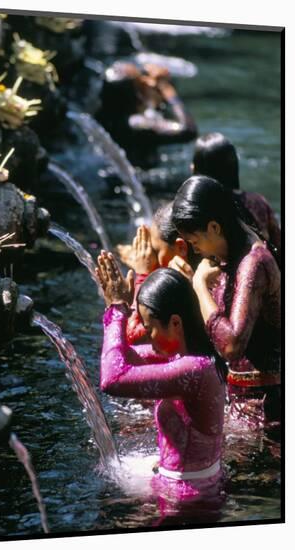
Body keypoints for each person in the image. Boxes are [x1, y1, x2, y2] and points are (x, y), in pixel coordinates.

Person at [96, 252, 226, 518]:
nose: (145, 334)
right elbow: (124, 356)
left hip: (187, 502)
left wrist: (117, 309)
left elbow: (113, 378)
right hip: (189, 488)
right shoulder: (192, 355)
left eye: (150, 327)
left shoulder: (194, 369)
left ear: (175, 323)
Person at [171, 176, 281, 422]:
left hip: (266, 415)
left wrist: (199, 285)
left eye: (195, 241)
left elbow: (231, 346)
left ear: (214, 227)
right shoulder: (230, 252)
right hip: (241, 404)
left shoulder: (253, 264)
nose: (194, 248)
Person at [192, 132, 281, 260]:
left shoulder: (203, 210)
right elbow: (278, 244)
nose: (191, 166)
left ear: (200, 170)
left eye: (194, 163)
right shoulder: (258, 201)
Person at [118, 202, 194, 344]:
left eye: (156, 251)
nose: (150, 256)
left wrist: (143, 276)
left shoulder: (189, 291)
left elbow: (132, 337)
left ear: (181, 247)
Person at [97, 62, 197, 168]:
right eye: (141, 84)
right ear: (137, 95)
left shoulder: (106, 117)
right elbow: (188, 131)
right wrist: (168, 92)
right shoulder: (136, 123)